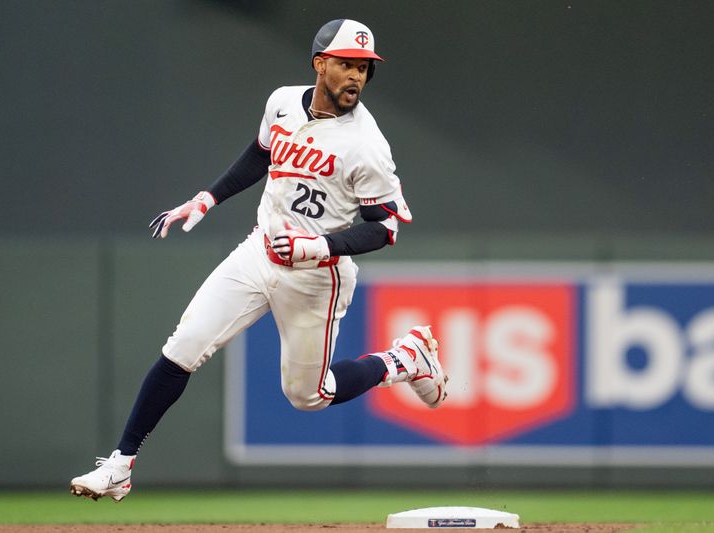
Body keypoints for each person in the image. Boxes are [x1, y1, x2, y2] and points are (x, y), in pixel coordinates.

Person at [69, 18, 447, 502]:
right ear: (320, 64)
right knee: (184, 345)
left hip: (317, 276)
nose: (356, 76)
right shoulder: (283, 101)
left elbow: (385, 228)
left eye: (364, 67)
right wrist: (207, 198)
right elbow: (261, 153)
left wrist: (318, 247)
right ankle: (120, 465)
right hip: (258, 252)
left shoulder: (367, 145)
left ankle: (403, 358)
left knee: (309, 396)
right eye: (346, 64)